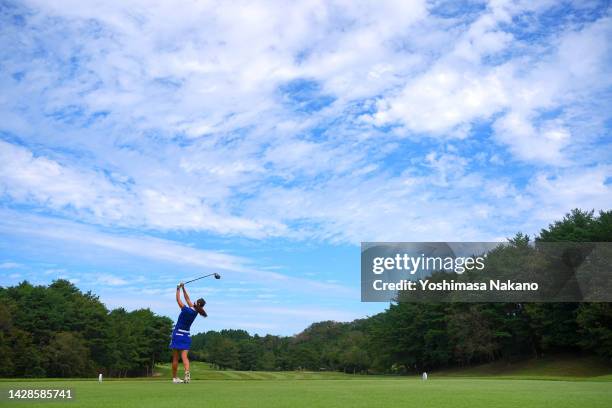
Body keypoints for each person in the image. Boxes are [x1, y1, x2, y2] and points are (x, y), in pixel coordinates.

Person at [170, 282, 207, 383]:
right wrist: (183, 288)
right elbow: (187, 298)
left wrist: (177, 288)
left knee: (175, 358)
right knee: (184, 357)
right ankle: (187, 374)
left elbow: (178, 300)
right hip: (186, 335)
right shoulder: (195, 311)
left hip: (178, 334)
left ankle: (175, 378)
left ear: (196, 303)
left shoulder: (187, 310)